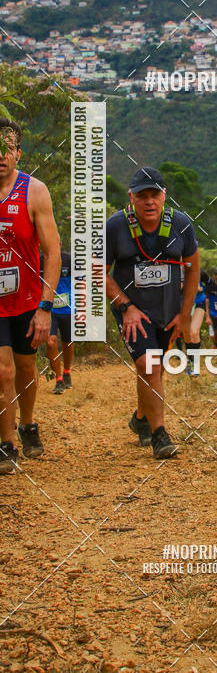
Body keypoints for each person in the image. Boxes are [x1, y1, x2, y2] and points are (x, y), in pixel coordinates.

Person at [105, 166, 199, 460]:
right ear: (131, 197)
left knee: (152, 368)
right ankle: (160, 435)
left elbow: (194, 267)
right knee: (149, 364)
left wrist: (185, 315)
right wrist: (126, 307)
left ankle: (141, 418)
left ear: (164, 196)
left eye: (154, 195)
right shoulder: (116, 226)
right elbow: (98, 270)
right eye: (142, 195)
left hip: (168, 312)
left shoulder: (181, 224)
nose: (149, 201)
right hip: (132, 311)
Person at [0, 119, 61, 474]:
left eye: (7, 148)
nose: (1, 156)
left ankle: (27, 422)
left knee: (24, 368)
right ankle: (6, 443)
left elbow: (53, 251)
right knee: (3, 371)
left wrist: (45, 306)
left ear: (18, 152)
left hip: (25, 301)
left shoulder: (34, 191)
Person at [44, 244, 74, 394]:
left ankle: (67, 371)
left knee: (68, 343)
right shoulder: (39, 260)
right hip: (48, 310)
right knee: (50, 342)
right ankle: (59, 379)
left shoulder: (68, 259)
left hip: (68, 309)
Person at [183, 268, 210, 376]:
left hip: (199, 302)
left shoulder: (200, 271)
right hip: (184, 305)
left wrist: (201, 289)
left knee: (194, 331)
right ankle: (190, 362)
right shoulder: (174, 271)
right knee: (187, 334)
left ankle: (196, 366)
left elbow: (211, 285)